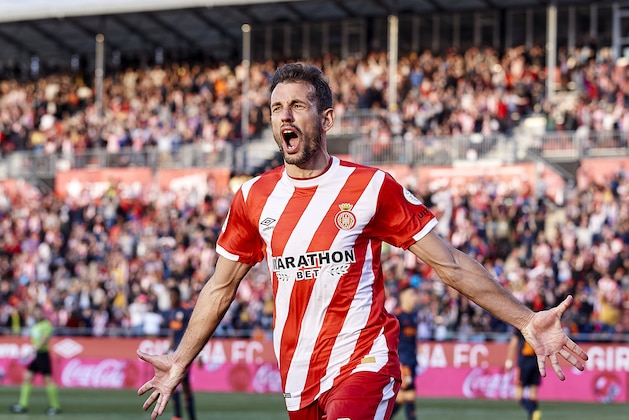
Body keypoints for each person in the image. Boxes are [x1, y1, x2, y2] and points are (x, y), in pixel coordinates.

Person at [137, 62, 589, 420]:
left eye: (297, 106)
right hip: (297, 378)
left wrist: (526, 320)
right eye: (276, 109)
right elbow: (220, 288)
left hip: (363, 363)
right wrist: (179, 360)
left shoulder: (373, 188)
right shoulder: (253, 197)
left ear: (327, 118)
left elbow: (448, 262)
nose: (285, 117)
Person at [10, 304, 62, 415]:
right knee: (27, 377)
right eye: (35, 312)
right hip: (36, 355)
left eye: (39, 311)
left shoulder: (46, 325)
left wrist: (32, 350)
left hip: (42, 355)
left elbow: (44, 340)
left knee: (48, 380)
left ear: (42, 312)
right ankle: (22, 405)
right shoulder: (35, 326)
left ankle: (55, 406)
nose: (37, 314)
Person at [165, 286, 197, 420]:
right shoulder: (172, 312)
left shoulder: (185, 311)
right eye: (170, 297)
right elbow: (173, 333)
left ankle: (190, 416)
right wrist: (168, 349)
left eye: (173, 297)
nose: (171, 299)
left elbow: (194, 331)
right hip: (174, 353)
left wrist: (200, 353)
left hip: (185, 353)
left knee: (185, 385)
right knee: (173, 383)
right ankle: (177, 416)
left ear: (178, 296)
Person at [391, 285, 419, 420]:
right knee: (409, 394)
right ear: (403, 297)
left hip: (412, 360)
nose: (414, 298)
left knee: (401, 398)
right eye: (411, 295)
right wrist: (398, 363)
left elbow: (413, 340)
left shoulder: (414, 316)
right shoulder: (398, 317)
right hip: (403, 362)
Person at [505, 325, 542, 420]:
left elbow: (514, 343)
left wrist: (509, 360)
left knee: (519, 396)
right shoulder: (539, 325)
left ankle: (532, 411)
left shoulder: (520, 326)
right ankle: (534, 415)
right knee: (533, 395)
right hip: (537, 361)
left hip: (524, 362)